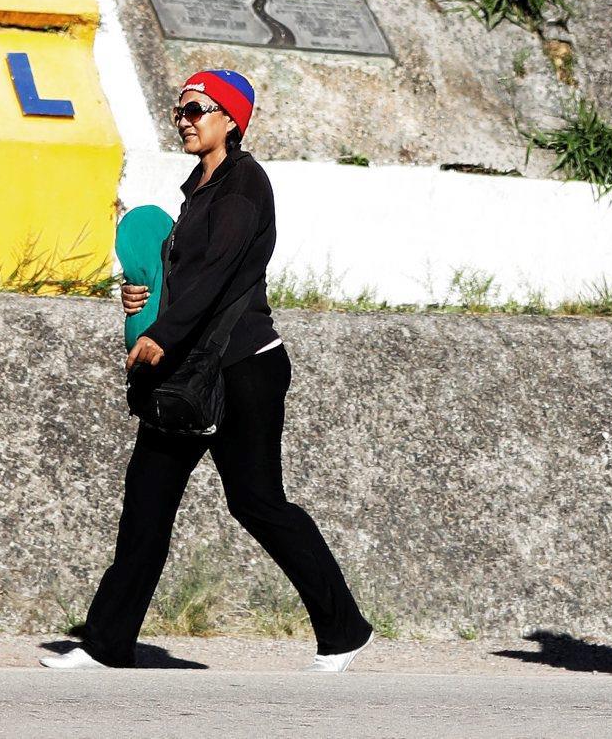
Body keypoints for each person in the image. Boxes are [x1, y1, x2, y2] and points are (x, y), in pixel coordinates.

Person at [43, 67, 371, 673]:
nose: (185, 120)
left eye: (196, 109)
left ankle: (344, 627)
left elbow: (215, 278)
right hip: (189, 367)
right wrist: (140, 301)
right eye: (180, 111)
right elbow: (178, 276)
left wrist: (161, 336)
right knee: (146, 503)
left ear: (230, 119)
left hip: (244, 368)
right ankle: (107, 642)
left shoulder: (244, 189)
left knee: (257, 502)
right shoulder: (199, 184)